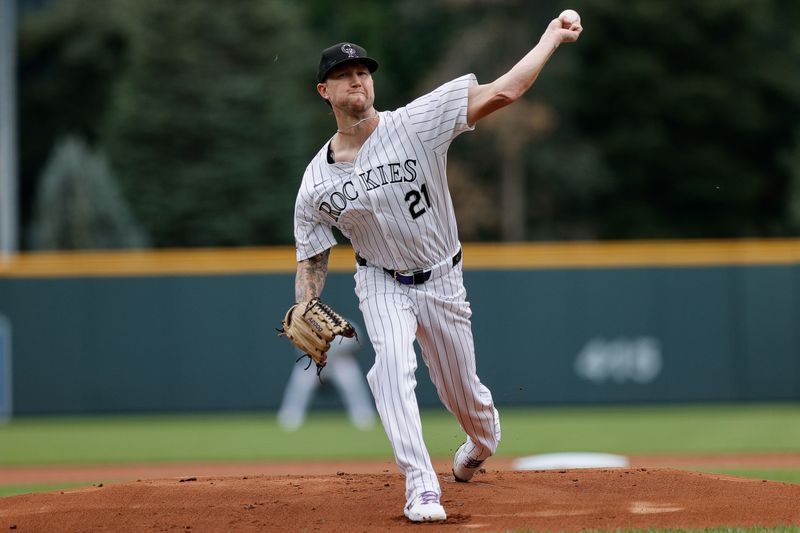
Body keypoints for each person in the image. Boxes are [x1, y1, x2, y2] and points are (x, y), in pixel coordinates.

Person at [292, 13, 582, 523]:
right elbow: (314, 253)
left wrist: (550, 38)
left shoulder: (415, 123)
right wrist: (303, 302)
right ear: (324, 90)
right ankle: (422, 485)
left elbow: (506, 92)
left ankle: (481, 442)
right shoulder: (316, 182)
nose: (357, 79)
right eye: (344, 74)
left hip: (442, 277)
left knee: (465, 396)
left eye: (363, 71)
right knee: (390, 371)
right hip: (380, 281)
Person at [277, 321, 376, 431]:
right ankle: (291, 416)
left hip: (339, 360)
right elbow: (299, 348)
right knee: (300, 385)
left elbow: (357, 340)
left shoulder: (343, 324)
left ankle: (363, 415)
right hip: (314, 361)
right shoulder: (306, 326)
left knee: (353, 384)